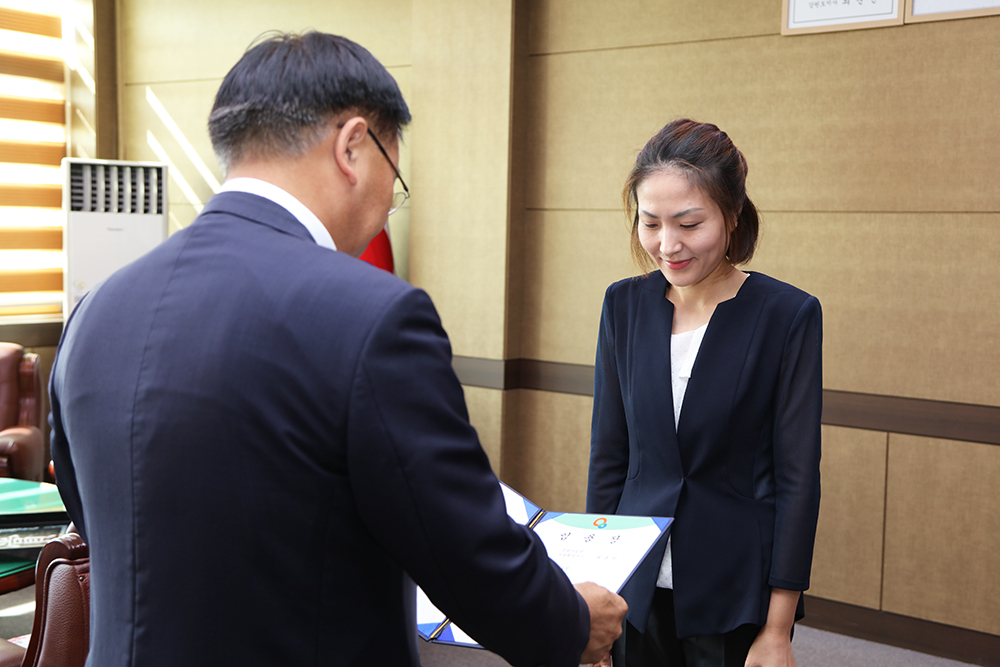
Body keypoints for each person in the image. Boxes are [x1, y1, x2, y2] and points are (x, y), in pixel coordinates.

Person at [49, 31, 627, 667]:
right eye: (395, 177)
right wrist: (573, 623)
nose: (387, 206)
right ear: (354, 146)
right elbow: (463, 548)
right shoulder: (371, 314)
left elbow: (93, 514)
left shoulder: (95, 311)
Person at [586, 119, 822, 667]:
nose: (667, 245)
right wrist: (595, 594)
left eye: (689, 223)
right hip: (633, 589)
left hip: (734, 591)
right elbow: (610, 458)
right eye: (650, 223)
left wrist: (779, 627)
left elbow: (797, 477)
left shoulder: (786, 315)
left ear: (732, 215)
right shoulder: (623, 306)